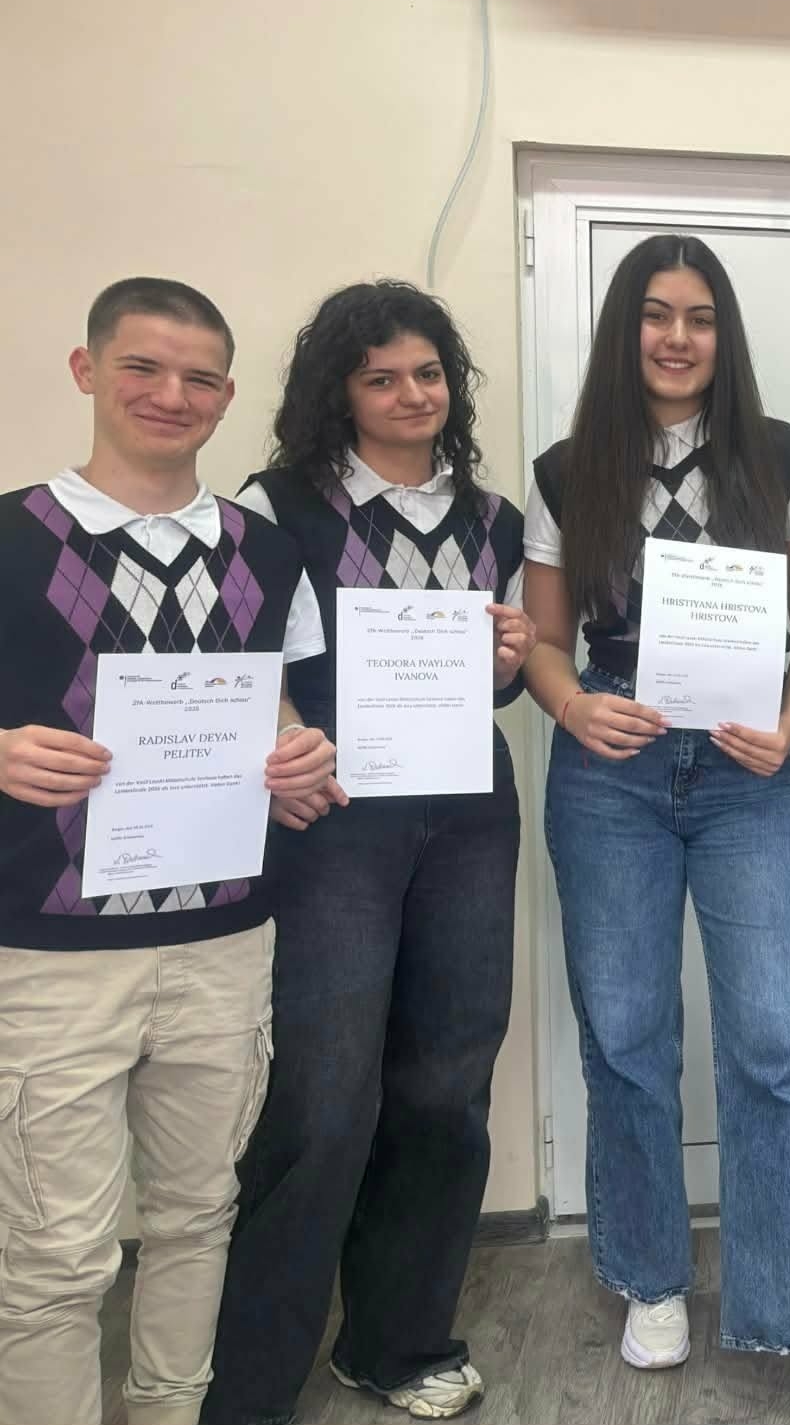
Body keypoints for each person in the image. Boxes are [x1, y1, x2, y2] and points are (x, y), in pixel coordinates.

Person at [521, 234, 790, 1425]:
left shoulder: (777, 454)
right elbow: (545, 642)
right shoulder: (567, 470)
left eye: (700, 317)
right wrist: (573, 707)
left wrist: (787, 721)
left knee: (781, 1042)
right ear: (626, 330)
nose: (678, 337)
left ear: (724, 336)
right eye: (656, 314)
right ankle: (651, 1277)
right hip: (609, 774)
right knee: (625, 1034)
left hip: (745, 768)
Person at [0, 279, 336, 1425]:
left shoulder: (268, 552)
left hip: (224, 943)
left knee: (198, 1220)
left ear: (226, 396)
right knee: (55, 1256)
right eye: (142, 367)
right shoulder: (7, 536)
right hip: (50, 957)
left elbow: (277, 712)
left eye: (198, 378)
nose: (170, 395)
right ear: (86, 369)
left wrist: (299, 760)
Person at [202, 283, 534, 1424]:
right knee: (324, 1094)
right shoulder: (277, 504)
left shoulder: (493, 518)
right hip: (337, 816)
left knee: (446, 1082)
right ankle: (250, 1381)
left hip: (468, 813)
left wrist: (510, 659)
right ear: (338, 391)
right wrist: (286, 735)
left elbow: (496, 680)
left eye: (427, 374)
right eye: (380, 377)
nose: (410, 395)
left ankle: (396, 1342)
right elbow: (241, 656)